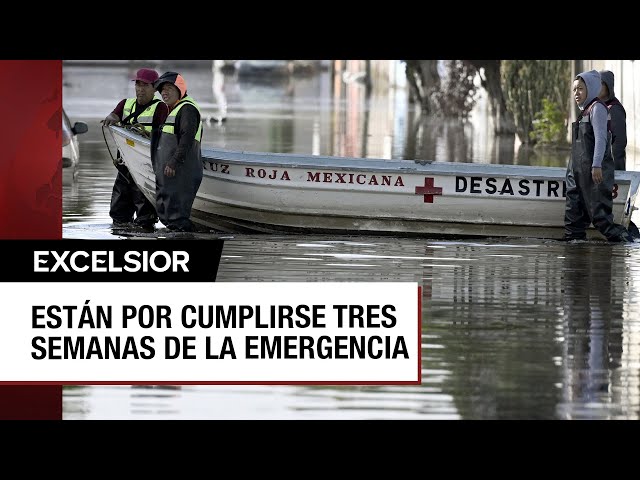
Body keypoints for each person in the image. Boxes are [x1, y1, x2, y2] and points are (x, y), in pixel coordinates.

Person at [563, 69, 633, 242]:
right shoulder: (584, 110)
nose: (576, 93)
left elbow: (601, 140)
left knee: (601, 219)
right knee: (574, 213)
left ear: (590, 89)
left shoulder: (598, 108)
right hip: (578, 172)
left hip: (594, 171)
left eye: (580, 89)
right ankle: (573, 241)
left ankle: (627, 240)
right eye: (574, 89)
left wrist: (596, 165)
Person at [101, 68, 169, 229]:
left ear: (155, 88)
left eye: (145, 85)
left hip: (146, 170)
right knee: (118, 215)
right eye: (138, 84)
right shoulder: (125, 104)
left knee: (145, 218)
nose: (140, 89)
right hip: (125, 168)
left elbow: (165, 138)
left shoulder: (161, 108)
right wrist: (110, 118)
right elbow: (114, 116)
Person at [151, 71, 204, 232]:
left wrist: (174, 162)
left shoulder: (187, 109)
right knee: (169, 215)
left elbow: (187, 139)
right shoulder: (174, 109)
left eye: (168, 88)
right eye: (162, 90)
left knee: (178, 218)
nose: (164, 92)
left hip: (181, 172)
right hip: (170, 174)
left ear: (180, 89)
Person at [598, 69, 640, 238]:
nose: (596, 87)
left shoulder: (613, 109)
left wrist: (612, 170)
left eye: (600, 84)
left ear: (608, 87)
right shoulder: (598, 107)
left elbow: (619, 143)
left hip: (611, 170)